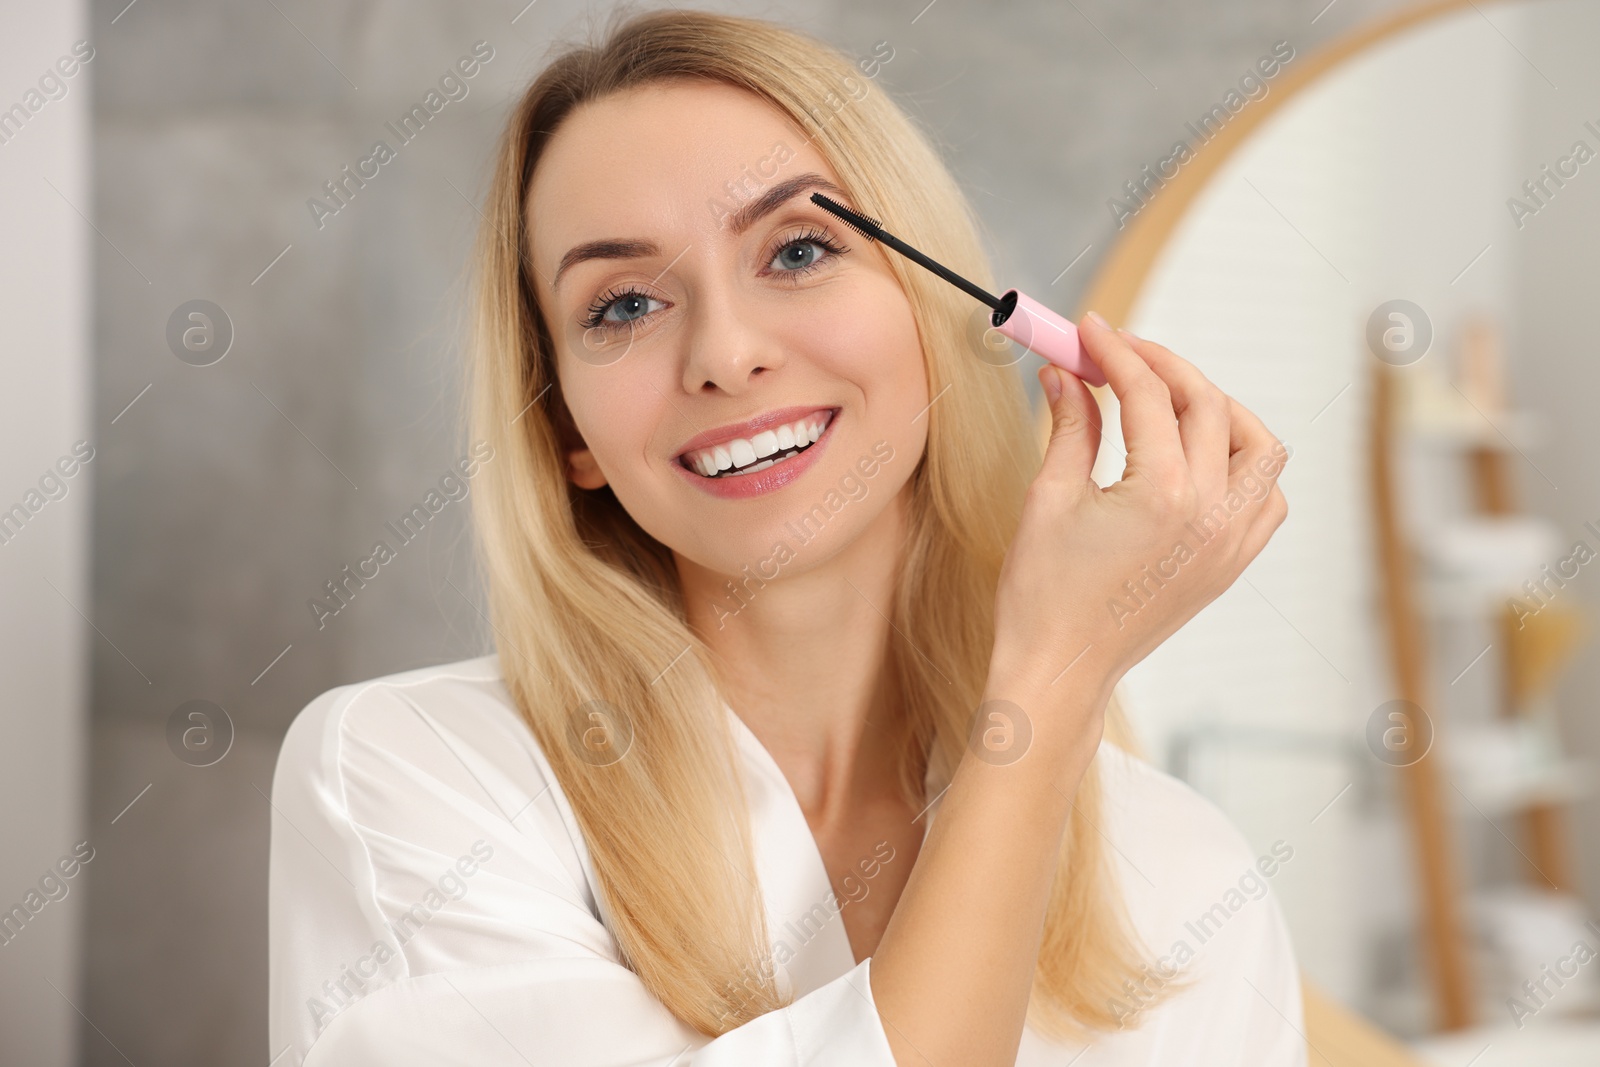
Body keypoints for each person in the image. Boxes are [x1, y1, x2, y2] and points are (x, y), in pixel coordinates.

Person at [268, 8, 1301, 1065]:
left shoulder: (1182, 874)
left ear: (939, 315)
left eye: (798, 248)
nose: (724, 351)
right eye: (622, 305)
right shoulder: (413, 781)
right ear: (565, 429)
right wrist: (1045, 693)